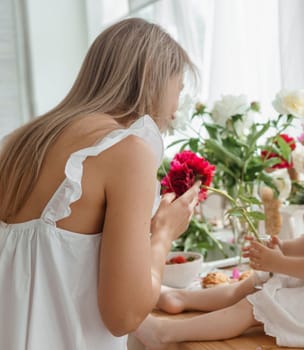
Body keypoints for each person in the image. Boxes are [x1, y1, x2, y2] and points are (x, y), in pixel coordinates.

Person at [134, 87, 304, 348]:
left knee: (254, 306)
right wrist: (284, 248)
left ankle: (165, 333)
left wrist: (280, 261)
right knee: (256, 282)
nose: (302, 140)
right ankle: (181, 298)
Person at [0, 18, 200, 349]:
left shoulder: (17, 144)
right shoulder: (126, 151)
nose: (175, 110)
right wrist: (164, 232)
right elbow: (124, 315)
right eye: (178, 89)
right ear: (152, 78)